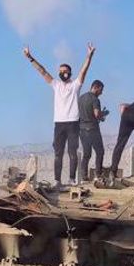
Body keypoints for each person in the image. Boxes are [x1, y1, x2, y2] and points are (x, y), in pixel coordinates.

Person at [23, 42, 96, 184]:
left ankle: (71, 179)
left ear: (69, 72)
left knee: (72, 153)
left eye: (64, 71)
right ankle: (57, 180)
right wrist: (30, 57)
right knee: (58, 153)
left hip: (73, 123)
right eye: (60, 71)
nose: (62, 73)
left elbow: (83, 71)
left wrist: (89, 55)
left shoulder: (75, 85)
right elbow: (43, 71)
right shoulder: (56, 85)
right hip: (59, 123)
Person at [78, 79, 109, 180]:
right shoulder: (95, 99)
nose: (102, 92)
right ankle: (98, 175)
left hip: (82, 130)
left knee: (87, 153)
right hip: (93, 129)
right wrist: (103, 115)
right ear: (96, 87)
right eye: (101, 90)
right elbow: (96, 114)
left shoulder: (81, 98)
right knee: (100, 152)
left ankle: (84, 176)